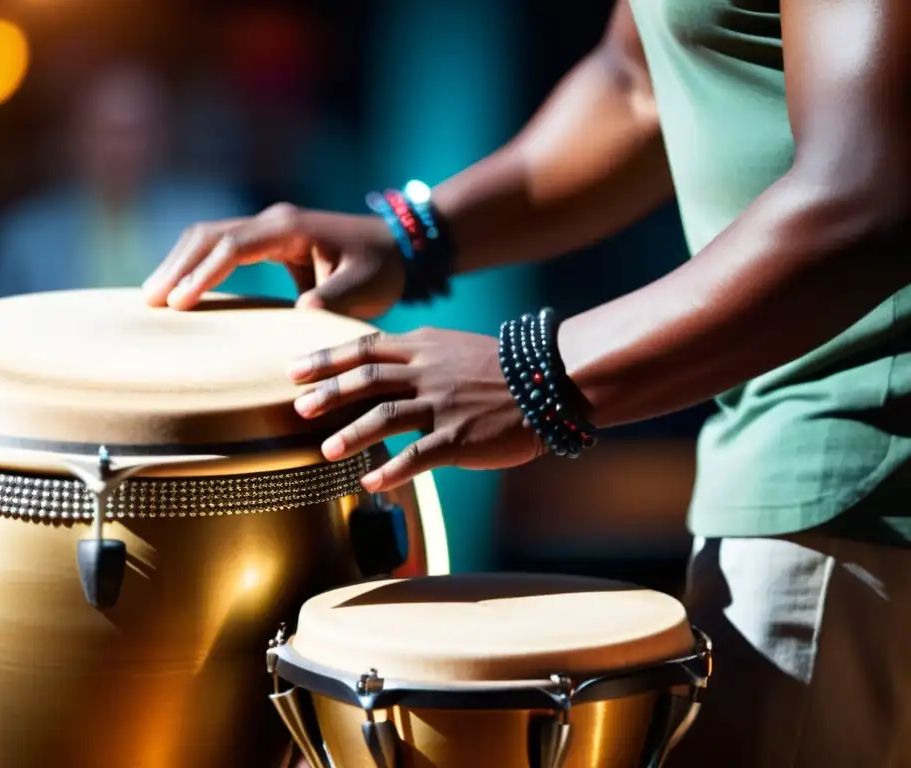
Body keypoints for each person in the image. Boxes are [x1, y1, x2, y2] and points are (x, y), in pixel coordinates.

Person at [144, 0, 911, 764]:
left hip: (861, 474)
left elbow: (863, 194)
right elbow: (636, 80)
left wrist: (535, 375)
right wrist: (411, 238)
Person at [0, 62, 289, 302]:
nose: (119, 148)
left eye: (134, 132)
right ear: (74, 136)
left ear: (162, 135)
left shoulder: (216, 214)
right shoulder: (24, 236)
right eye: (106, 131)